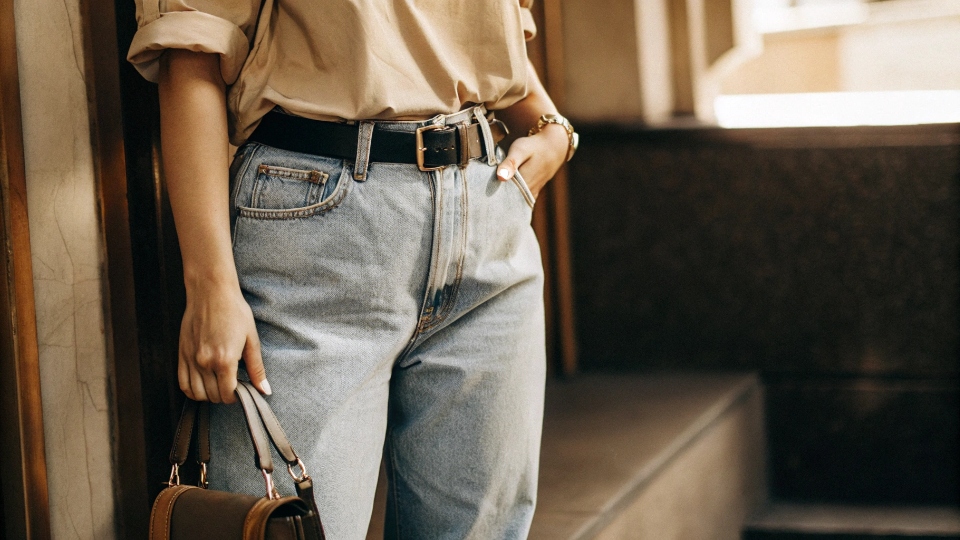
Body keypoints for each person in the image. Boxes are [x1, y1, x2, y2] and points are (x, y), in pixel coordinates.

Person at [127, 1, 577, 538]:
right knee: (286, 524)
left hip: (487, 212)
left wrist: (552, 128)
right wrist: (210, 286)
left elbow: (486, 38)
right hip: (317, 230)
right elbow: (191, 51)